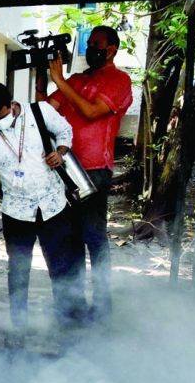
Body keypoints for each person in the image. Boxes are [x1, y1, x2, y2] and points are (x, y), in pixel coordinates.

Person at [0, 83, 86, 329]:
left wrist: (60, 153)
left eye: (2, 115)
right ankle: (18, 326)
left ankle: (69, 326)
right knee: (18, 273)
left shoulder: (40, 112)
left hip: (52, 206)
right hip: (16, 213)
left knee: (60, 268)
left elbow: (65, 131)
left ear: (11, 104)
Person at [41, 25, 133, 320]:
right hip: (64, 169)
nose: (91, 48)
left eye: (96, 44)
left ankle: (103, 306)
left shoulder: (119, 80)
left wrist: (60, 81)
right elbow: (46, 109)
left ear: (111, 50)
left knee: (94, 237)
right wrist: (43, 79)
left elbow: (92, 111)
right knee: (67, 237)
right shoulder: (76, 80)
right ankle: (73, 304)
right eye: (89, 43)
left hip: (94, 170)